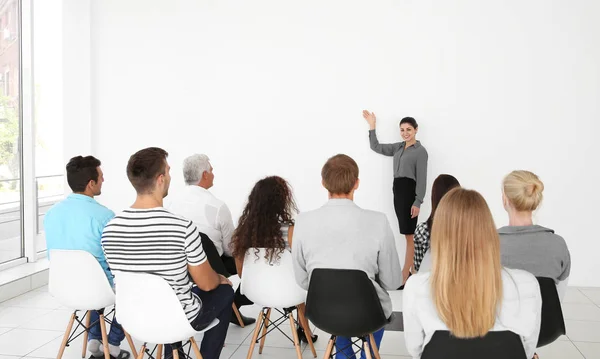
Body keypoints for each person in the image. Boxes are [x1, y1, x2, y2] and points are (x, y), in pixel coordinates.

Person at [101, 147, 234, 359]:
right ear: (161, 178)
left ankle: (174, 354)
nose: (171, 177)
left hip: (133, 318)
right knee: (225, 291)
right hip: (175, 319)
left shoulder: (110, 229)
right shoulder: (182, 227)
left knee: (174, 295)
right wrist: (219, 277)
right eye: (169, 171)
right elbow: (207, 285)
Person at [403, 188, 542, 359]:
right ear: (489, 232)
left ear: (439, 235)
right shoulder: (527, 284)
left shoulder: (416, 287)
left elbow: (416, 351)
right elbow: (526, 351)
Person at [292, 154, 402, 359]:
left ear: (323, 183)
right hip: (368, 313)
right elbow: (393, 282)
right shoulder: (378, 221)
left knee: (340, 300)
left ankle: (343, 355)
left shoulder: (303, 221)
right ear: (357, 183)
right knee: (371, 303)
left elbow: (302, 280)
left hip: (322, 312)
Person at [44, 156, 129, 359]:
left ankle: (93, 338)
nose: (103, 180)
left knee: (95, 275)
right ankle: (114, 343)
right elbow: (118, 259)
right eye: (101, 176)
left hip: (62, 287)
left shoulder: (51, 213)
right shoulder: (104, 216)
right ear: (91, 184)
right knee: (129, 285)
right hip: (96, 289)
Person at [168, 153, 255, 326]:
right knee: (251, 260)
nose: (213, 174)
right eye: (212, 170)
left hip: (178, 266)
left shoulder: (172, 203)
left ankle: (232, 308)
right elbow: (232, 249)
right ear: (205, 175)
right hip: (210, 268)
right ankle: (236, 301)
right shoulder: (216, 206)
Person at [230, 175, 316, 343]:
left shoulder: (244, 232)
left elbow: (241, 273)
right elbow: (302, 268)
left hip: (257, 292)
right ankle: (305, 331)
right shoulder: (290, 230)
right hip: (290, 292)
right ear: (282, 200)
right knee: (299, 286)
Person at [363, 110, 428, 287]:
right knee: (407, 234)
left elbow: (422, 178)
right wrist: (372, 126)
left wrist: (418, 201)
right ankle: (410, 271)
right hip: (397, 192)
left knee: (410, 236)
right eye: (402, 130)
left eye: (408, 129)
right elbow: (375, 146)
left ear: (416, 130)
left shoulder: (420, 151)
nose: (405, 133)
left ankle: (406, 274)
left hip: (409, 192)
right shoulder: (398, 147)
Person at [499, 170, 571, 300]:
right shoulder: (558, 244)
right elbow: (557, 299)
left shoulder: (486, 244)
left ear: (505, 199)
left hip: (498, 319)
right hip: (546, 320)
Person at [412, 174, 460, 273]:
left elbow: (418, 270)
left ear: (434, 197)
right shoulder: (469, 229)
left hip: (429, 285)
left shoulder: (423, 230)